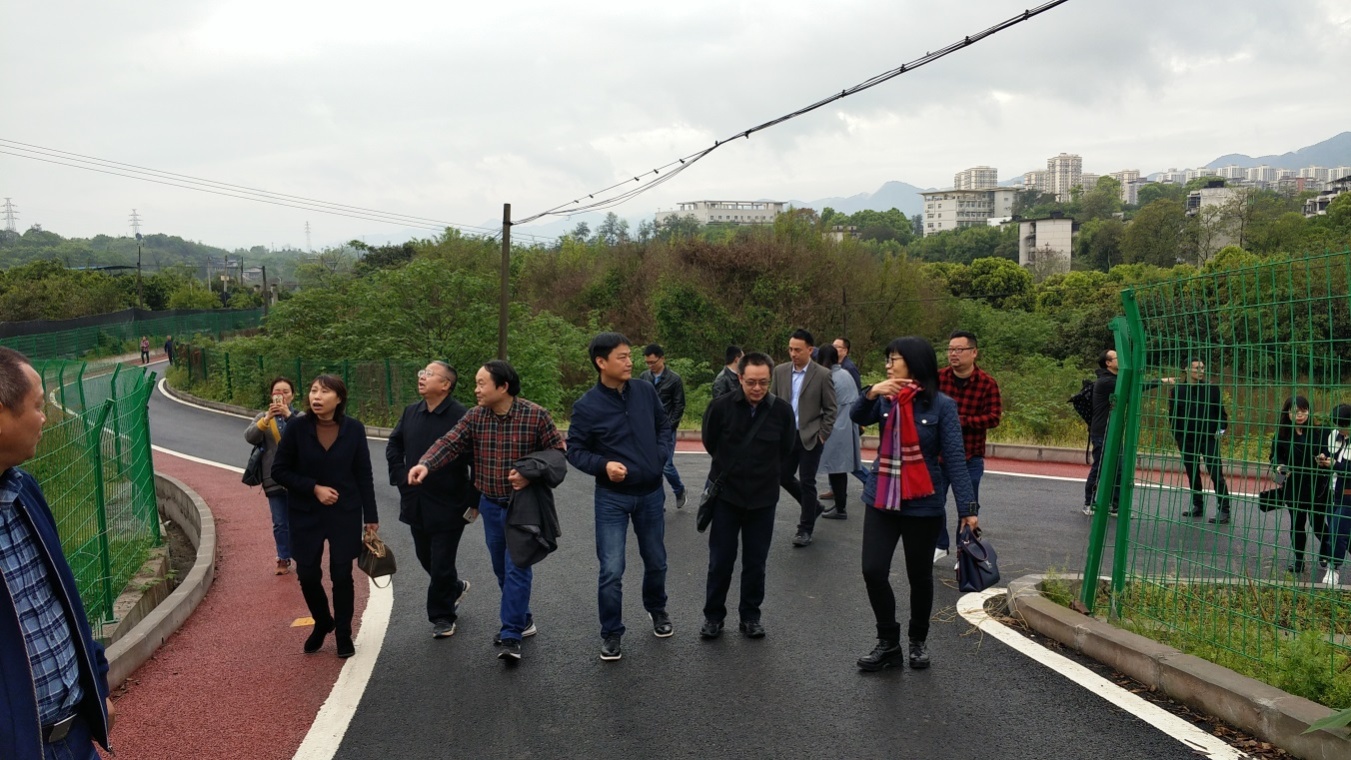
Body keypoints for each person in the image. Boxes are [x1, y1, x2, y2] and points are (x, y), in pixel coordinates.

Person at [409, 360, 566, 664]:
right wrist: (425, 464)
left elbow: (557, 454)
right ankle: (523, 618)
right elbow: (449, 443)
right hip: (491, 505)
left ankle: (511, 634)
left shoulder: (536, 415)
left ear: (503, 386)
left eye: (482, 383)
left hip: (524, 508)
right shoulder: (475, 417)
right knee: (501, 568)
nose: (476, 390)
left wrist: (529, 473)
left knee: (517, 566)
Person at [0, 346, 116, 759]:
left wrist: (98, 685)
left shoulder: (24, 491)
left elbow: (62, 600)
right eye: (37, 405)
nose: (44, 417)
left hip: (75, 737)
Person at [851, 337, 978, 672]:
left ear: (914, 363)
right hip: (881, 497)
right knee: (873, 570)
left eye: (893, 359)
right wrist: (871, 392)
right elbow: (856, 415)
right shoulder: (885, 398)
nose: (888, 365)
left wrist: (968, 509)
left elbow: (955, 459)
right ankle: (888, 642)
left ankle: (917, 641)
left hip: (923, 502)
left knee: (919, 576)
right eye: (888, 359)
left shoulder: (942, 406)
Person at [567, 333, 674, 661]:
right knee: (611, 569)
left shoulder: (644, 390)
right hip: (612, 497)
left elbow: (664, 426)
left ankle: (656, 608)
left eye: (630, 356)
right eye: (622, 357)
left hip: (651, 492)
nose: (630, 362)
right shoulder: (587, 406)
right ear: (601, 362)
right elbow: (575, 450)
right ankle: (611, 631)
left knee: (656, 560)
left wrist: (659, 457)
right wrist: (603, 466)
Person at [272, 375, 378, 659]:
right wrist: (314, 488)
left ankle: (343, 633)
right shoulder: (297, 428)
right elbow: (279, 470)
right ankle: (322, 621)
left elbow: (363, 473)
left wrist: (371, 516)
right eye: (314, 390)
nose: (317, 396)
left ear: (339, 398)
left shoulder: (354, 429)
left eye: (325, 392)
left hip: (345, 512)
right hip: (305, 513)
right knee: (307, 574)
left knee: (342, 574)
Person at [699, 352, 797, 640]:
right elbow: (710, 442)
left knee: (756, 562)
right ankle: (713, 616)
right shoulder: (720, 407)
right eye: (751, 382)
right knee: (720, 561)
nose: (757, 388)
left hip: (763, 500)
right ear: (740, 378)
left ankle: (750, 616)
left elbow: (786, 448)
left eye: (763, 382)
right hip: (727, 498)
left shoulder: (781, 411)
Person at [386, 362, 477, 639]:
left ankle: (442, 616)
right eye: (421, 373)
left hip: (450, 502)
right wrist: (401, 477)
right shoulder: (411, 412)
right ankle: (455, 587)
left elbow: (476, 460)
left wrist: (474, 499)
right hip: (415, 500)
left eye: (429, 374)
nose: (422, 378)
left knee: (441, 562)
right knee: (424, 556)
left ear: (446, 385)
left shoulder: (461, 416)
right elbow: (394, 444)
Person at [934, 330, 1001, 563]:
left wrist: (960, 421)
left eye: (959, 349)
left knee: (968, 508)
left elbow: (993, 417)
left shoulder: (987, 384)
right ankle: (940, 544)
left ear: (974, 352)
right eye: (950, 349)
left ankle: (964, 553)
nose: (953, 354)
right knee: (934, 503)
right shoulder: (938, 378)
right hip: (939, 456)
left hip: (970, 456)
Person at [772, 328, 837, 548]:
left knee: (808, 481)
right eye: (790, 349)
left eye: (798, 350)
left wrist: (823, 435)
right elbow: (773, 403)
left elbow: (831, 409)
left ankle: (805, 528)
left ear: (810, 350)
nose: (793, 354)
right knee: (783, 476)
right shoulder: (780, 371)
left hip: (811, 436)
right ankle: (814, 507)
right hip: (787, 436)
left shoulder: (822, 375)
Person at [1082, 350, 1164, 517]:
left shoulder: (1114, 379)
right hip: (1102, 432)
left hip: (1114, 431)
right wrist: (1160, 381)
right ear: (1108, 363)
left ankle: (1116, 506)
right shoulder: (1106, 382)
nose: (1121, 359)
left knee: (1118, 469)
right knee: (1100, 468)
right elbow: (1133, 388)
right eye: (1117, 357)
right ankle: (1089, 503)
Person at [245, 376, 299, 575]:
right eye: (277, 392)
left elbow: (308, 436)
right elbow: (249, 436)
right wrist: (267, 418)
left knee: (300, 520)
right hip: (272, 478)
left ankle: (303, 556)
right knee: (279, 522)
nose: (281, 395)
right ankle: (283, 557)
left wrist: (288, 416)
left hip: (298, 479)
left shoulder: (300, 417)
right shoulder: (263, 417)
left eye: (285, 392)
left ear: (292, 395)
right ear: (271, 396)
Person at [1168, 359, 1230, 523]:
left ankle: (1224, 510)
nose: (1201, 371)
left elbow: (1221, 414)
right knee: (1192, 473)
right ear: (1187, 369)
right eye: (1197, 368)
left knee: (1216, 473)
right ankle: (1198, 505)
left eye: (1202, 368)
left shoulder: (1211, 389)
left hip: (1208, 439)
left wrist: (1220, 431)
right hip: (1187, 439)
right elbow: (1173, 416)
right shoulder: (1178, 391)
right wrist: (1179, 437)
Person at [1271, 397, 1328, 574]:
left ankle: (1326, 550)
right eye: (1295, 411)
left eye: (1304, 411)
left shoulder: (1320, 432)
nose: (1300, 415)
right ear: (1287, 413)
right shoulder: (1282, 435)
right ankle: (1299, 560)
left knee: (1318, 525)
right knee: (1297, 524)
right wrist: (1279, 468)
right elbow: (1275, 457)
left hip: (1317, 486)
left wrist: (1324, 457)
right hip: (1294, 486)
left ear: (1309, 412)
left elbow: (1328, 451)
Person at [639, 342, 688, 509]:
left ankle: (679, 490)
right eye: (647, 363)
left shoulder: (674, 379)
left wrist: (670, 426)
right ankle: (658, 502)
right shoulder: (644, 377)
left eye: (653, 362)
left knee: (666, 465)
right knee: (652, 466)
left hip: (666, 429)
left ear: (662, 359)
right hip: (648, 428)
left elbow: (679, 405)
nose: (650, 366)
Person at [817, 344, 861, 520]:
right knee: (840, 469)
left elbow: (823, 405)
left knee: (836, 469)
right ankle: (840, 505)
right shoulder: (845, 374)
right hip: (848, 425)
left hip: (835, 426)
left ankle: (841, 508)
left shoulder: (828, 377)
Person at [1315, 405, 1351, 586]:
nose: (1340, 428)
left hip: (1348, 494)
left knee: (1337, 531)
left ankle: (1333, 568)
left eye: (1344, 425)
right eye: (1337, 424)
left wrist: (1335, 465)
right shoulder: (1333, 435)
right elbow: (1328, 453)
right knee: (1342, 533)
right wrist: (1323, 457)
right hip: (1331, 491)